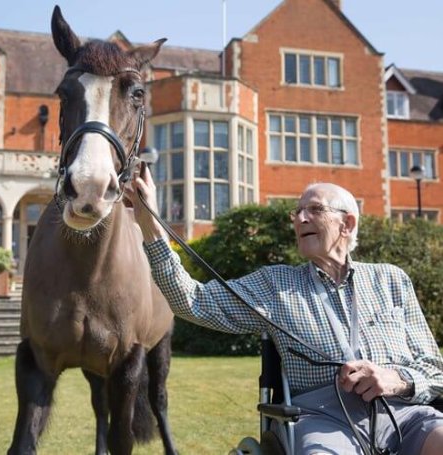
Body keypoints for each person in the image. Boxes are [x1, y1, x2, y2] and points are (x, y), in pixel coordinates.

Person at [125, 168, 443, 455]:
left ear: (347, 223)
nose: (299, 218)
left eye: (315, 210)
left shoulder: (391, 279)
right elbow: (194, 300)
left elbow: (434, 369)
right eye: (298, 211)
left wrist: (397, 379)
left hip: (405, 412)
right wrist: (150, 225)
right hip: (325, 420)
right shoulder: (276, 285)